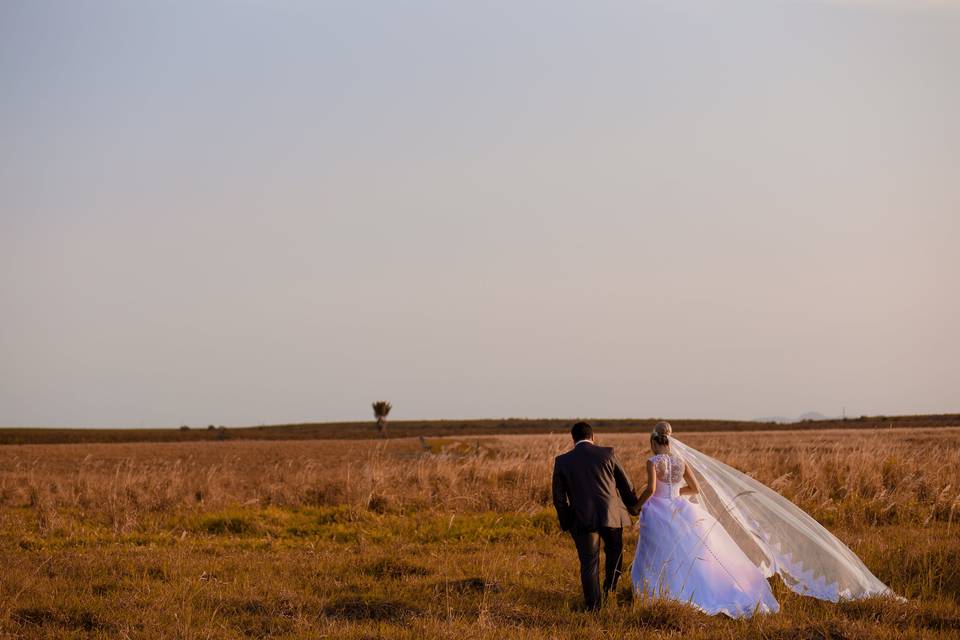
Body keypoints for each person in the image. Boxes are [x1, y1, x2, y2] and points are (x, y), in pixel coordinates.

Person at [631, 421, 896, 617]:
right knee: (692, 552)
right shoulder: (681, 461)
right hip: (681, 506)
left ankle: (660, 594)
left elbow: (651, 489)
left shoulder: (653, 461)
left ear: (654, 442)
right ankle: (691, 589)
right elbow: (695, 489)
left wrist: (638, 504)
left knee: (660, 552)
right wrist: (677, 493)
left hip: (660, 510)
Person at [552, 421, 640, 610]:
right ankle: (610, 591)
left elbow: (558, 499)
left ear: (573, 439)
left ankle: (593, 607)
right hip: (612, 516)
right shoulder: (608, 453)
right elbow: (625, 484)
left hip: (582, 520)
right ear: (593, 437)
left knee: (589, 563)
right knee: (615, 555)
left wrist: (567, 521)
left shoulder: (562, 461)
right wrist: (634, 507)